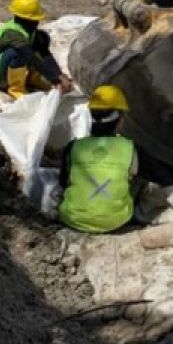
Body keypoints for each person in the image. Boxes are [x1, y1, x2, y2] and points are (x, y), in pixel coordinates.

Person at [57, 85, 140, 234]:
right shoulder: (130, 147)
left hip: (73, 219)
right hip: (117, 220)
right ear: (120, 119)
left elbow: (63, 182)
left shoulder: (74, 146)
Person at [0, 0, 72, 99]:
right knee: (18, 53)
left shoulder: (30, 31)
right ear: (25, 19)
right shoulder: (12, 33)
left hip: (11, 66)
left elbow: (45, 54)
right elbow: (31, 57)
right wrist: (54, 80)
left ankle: (32, 79)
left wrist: (59, 75)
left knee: (41, 39)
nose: (37, 21)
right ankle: (15, 87)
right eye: (34, 19)